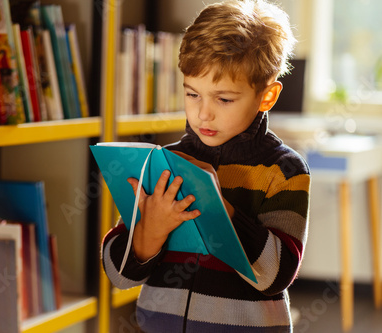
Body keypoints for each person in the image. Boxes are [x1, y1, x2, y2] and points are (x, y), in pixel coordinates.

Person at [101, 0, 310, 332]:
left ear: (266, 97)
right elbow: (118, 276)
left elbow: (275, 276)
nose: (203, 114)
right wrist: (149, 232)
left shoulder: (284, 171)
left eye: (223, 99)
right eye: (192, 94)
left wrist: (219, 208)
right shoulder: (164, 163)